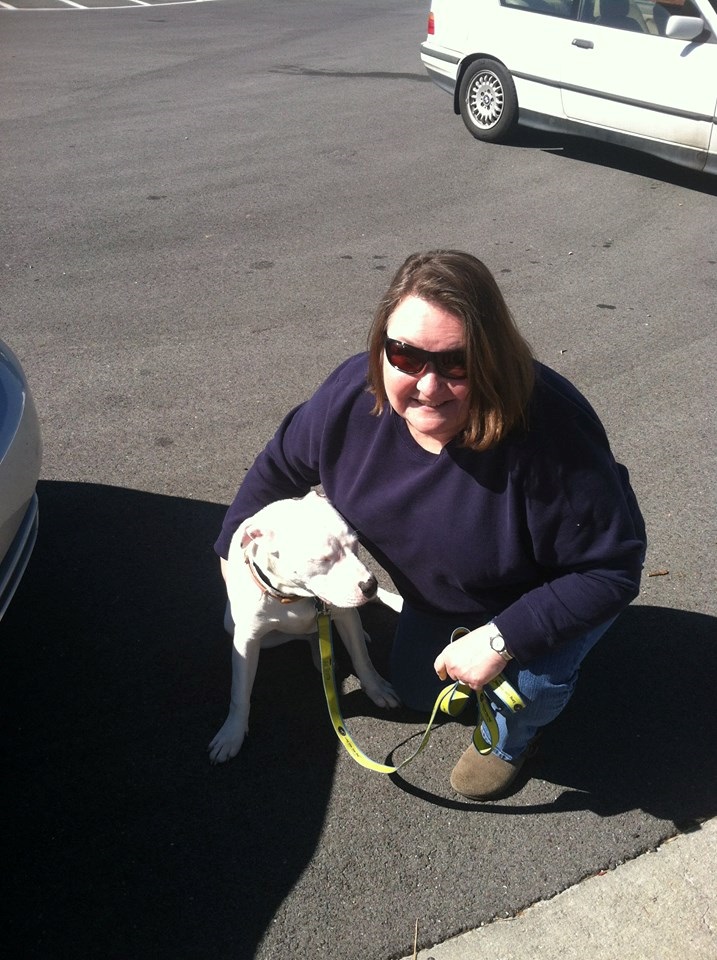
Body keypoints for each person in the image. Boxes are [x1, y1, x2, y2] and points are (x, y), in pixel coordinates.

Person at [215, 250, 646, 800]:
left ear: (491, 359)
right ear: (382, 347)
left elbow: (611, 570)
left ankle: (516, 733)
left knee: (529, 684)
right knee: (419, 692)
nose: (427, 384)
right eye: (406, 355)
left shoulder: (552, 434)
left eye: (456, 363)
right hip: (445, 592)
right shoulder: (349, 397)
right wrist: (232, 553)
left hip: (552, 580)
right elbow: (278, 466)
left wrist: (502, 638)